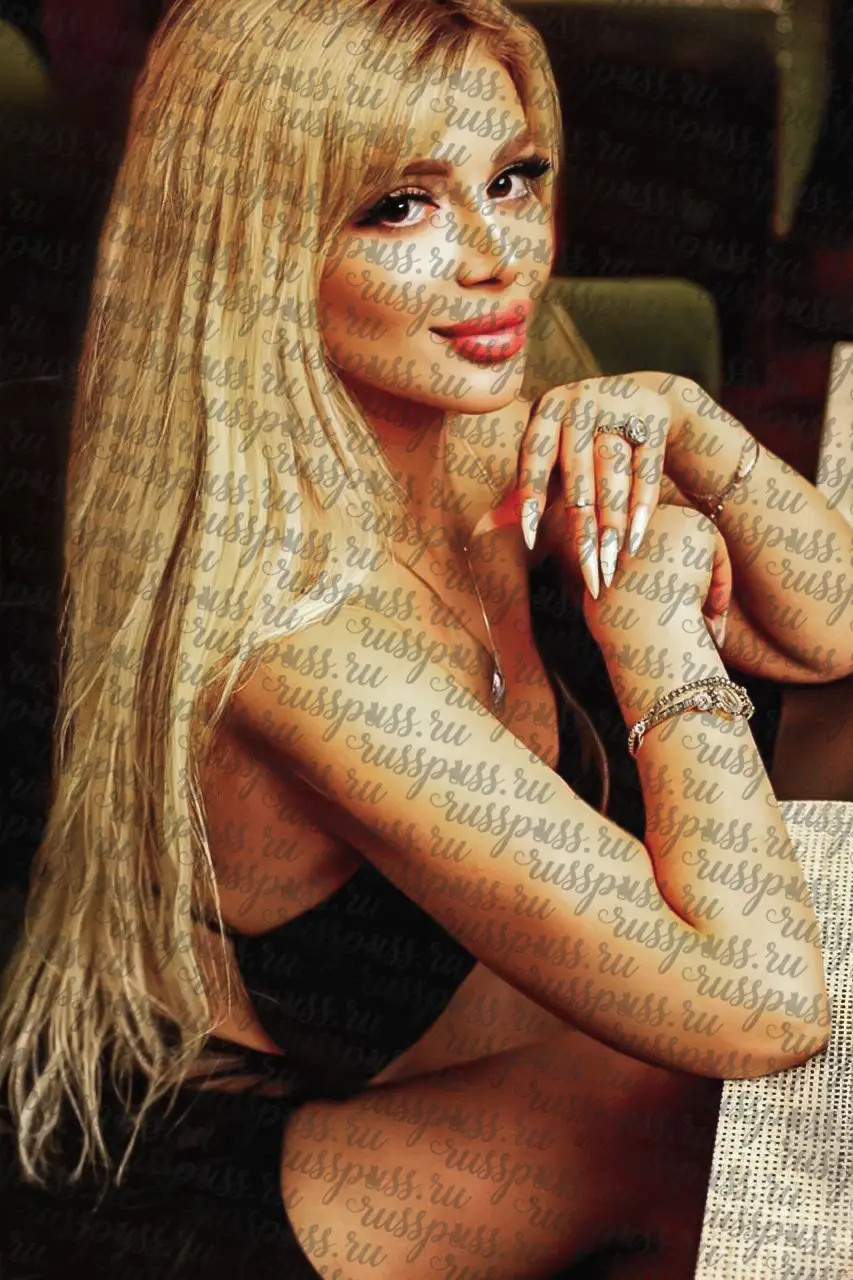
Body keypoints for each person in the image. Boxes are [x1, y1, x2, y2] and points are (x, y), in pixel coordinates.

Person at [1, 1, 849, 1278]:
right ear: (259, 244)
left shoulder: (457, 426)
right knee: (727, 1125)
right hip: (210, 1170)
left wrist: (692, 423)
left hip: (437, 1053)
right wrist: (653, 629)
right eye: (400, 206)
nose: (497, 256)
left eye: (511, 178)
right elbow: (764, 1010)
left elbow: (833, 631)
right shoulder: (298, 639)